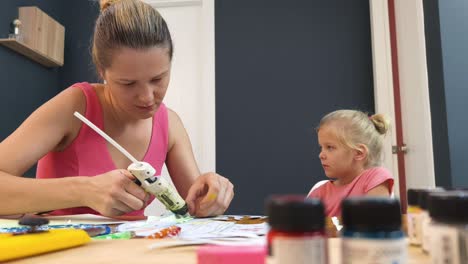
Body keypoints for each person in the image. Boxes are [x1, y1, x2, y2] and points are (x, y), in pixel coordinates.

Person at [0, 0, 234, 218]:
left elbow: (195, 207)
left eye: (158, 79)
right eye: (128, 83)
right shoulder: (73, 107)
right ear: (102, 71)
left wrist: (213, 194)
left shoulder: (170, 124)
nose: (147, 97)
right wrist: (83, 190)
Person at [308, 109, 394, 217]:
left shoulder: (376, 177)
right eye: (322, 148)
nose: (321, 155)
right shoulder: (319, 193)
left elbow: (374, 221)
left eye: (330, 147)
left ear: (358, 153)